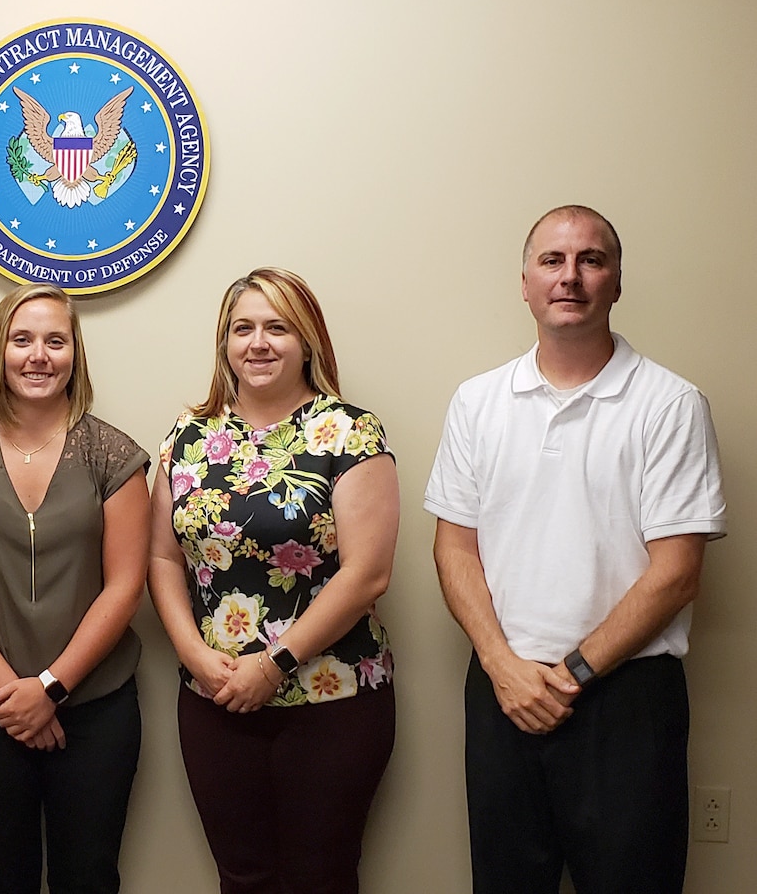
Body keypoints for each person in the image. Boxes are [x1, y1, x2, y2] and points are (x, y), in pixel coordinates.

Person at [426, 205, 725, 894]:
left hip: (625, 702)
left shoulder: (669, 404)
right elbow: (454, 551)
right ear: (524, 282)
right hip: (501, 692)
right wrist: (502, 666)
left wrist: (568, 676)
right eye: (552, 261)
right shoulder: (477, 402)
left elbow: (675, 575)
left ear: (616, 282)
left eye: (590, 260)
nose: (570, 277)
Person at [148, 267, 399, 894]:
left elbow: (368, 573)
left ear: (307, 340)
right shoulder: (187, 436)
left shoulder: (349, 431)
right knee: (243, 878)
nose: (258, 343)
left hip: (332, 696)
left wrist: (275, 663)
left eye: (277, 327)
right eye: (243, 328)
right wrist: (193, 655)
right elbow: (161, 560)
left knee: (322, 878)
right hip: (215, 700)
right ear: (225, 344)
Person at [0, 283, 149, 894]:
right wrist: (13, 697)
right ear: (0, 351)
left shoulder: (115, 456)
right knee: (0, 879)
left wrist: (49, 687)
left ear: (76, 353)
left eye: (56, 340)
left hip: (96, 706)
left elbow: (126, 587)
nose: (38, 355)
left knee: (90, 877)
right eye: (22, 340)